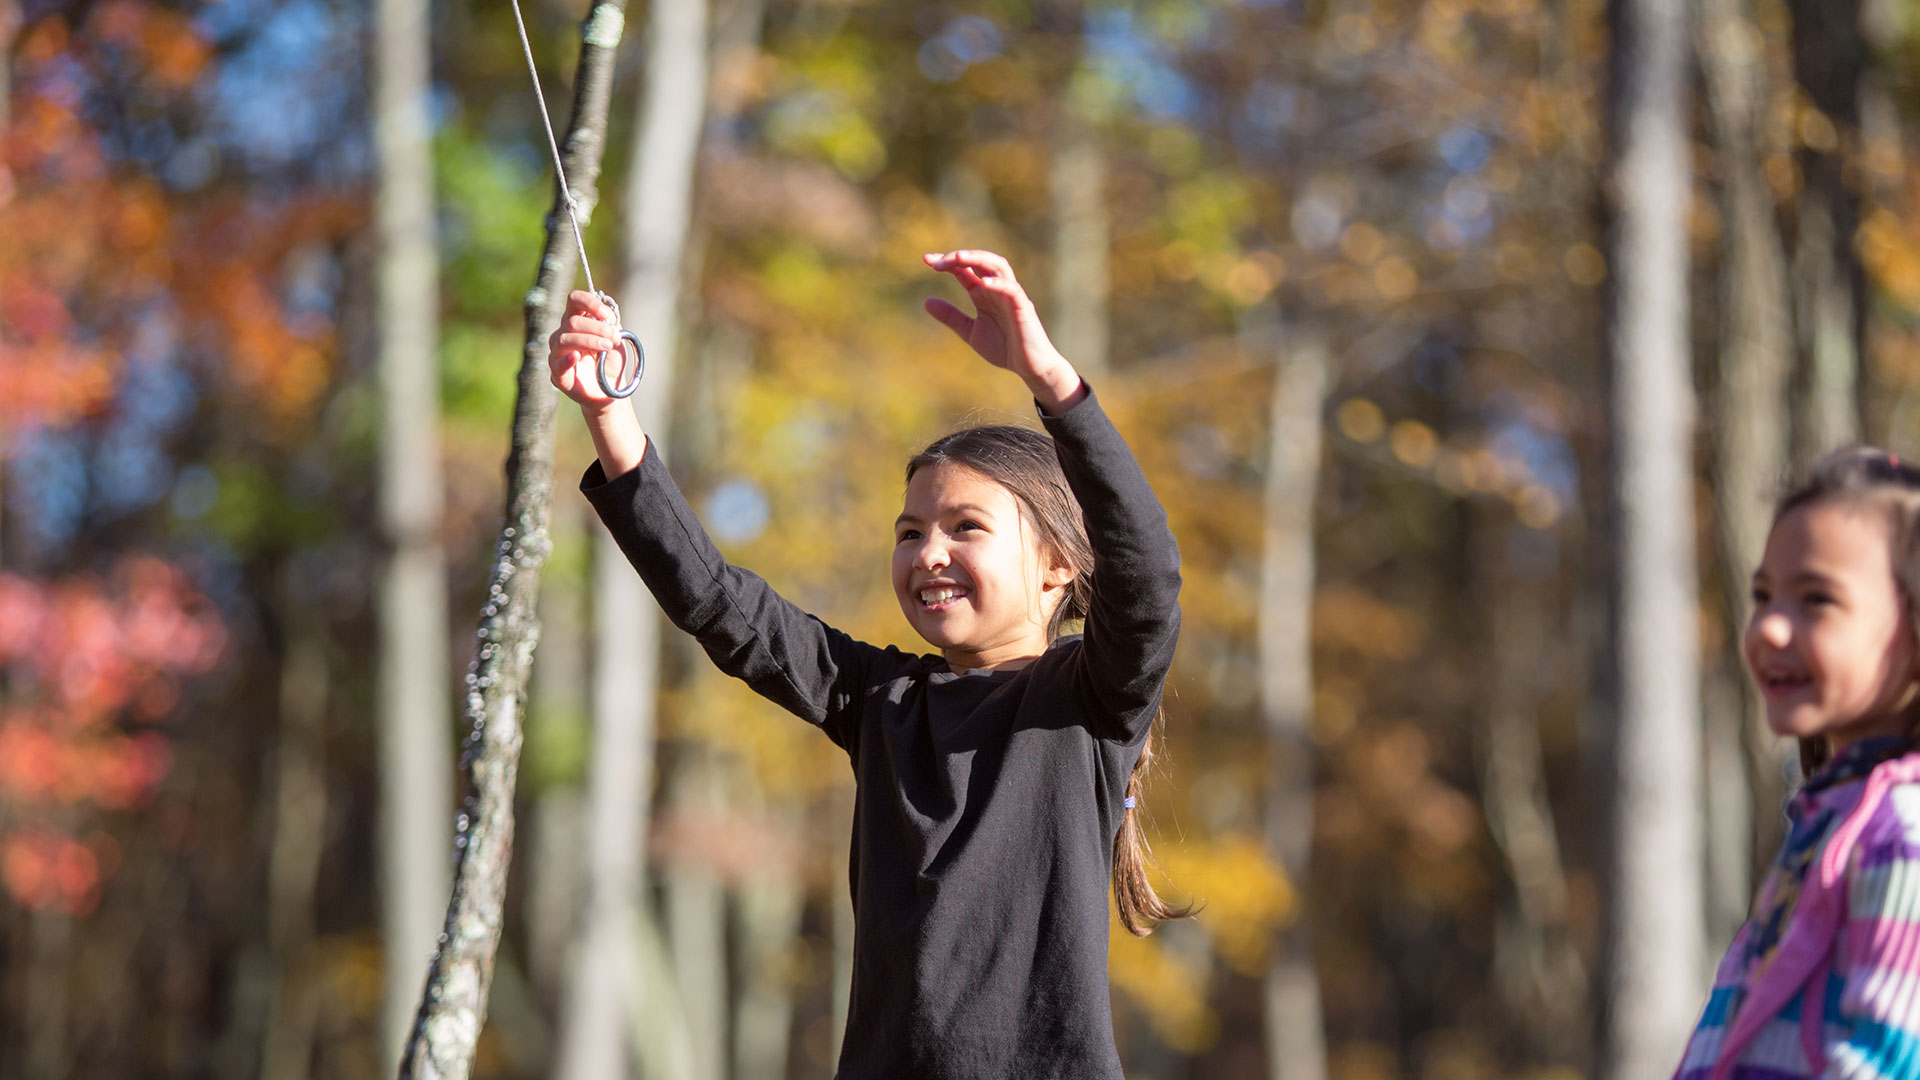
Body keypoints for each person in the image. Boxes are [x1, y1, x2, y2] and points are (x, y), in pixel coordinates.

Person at [549, 249, 1191, 1079]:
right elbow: (721, 606)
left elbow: (1148, 579)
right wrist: (611, 420)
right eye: (910, 531)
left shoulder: (1084, 703)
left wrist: (1052, 380)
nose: (929, 554)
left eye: (966, 528)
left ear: (1059, 564)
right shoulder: (880, 700)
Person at [1674, 447, 1920, 1080]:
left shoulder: (1904, 832)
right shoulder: (1830, 818)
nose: (1769, 629)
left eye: (1816, 600)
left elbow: (1888, 1057)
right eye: (1763, 595)